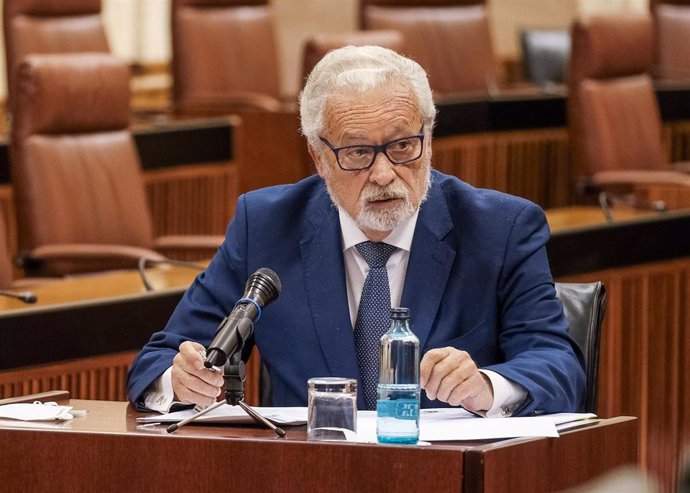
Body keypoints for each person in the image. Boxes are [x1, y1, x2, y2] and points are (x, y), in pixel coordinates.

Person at [127, 45, 585, 417]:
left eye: (404, 145)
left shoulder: (500, 228)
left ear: (429, 137)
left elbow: (558, 366)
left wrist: (486, 386)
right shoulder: (266, 225)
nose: (385, 173)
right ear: (319, 157)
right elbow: (155, 363)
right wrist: (180, 379)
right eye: (358, 152)